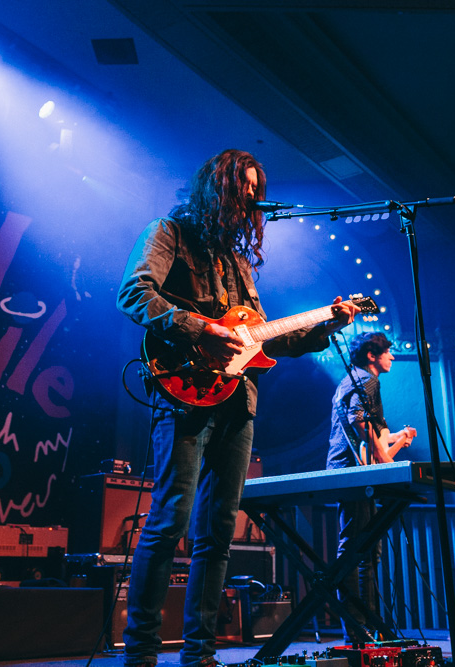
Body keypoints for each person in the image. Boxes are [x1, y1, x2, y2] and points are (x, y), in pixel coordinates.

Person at [117, 149, 360, 667]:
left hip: (239, 400)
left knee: (219, 532)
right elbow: (133, 294)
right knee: (169, 520)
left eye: (255, 188)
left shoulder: (239, 262)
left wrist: (328, 324)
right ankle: (139, 653)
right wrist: (201, 330)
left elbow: (268, 340)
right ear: (217, 188)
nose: (253, 197)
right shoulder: (169, 232)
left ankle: (199, 653)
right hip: (182, 391)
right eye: (243, 188)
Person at [326, 332, 416, 643]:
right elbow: (358, 422)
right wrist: (383, 463)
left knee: (366, 550)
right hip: (353, 473)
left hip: (353, 471)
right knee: (356, 549)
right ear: (370, 355)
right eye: (387, 352)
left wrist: (400, 438)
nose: (392, 356)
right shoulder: (366, 379)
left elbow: (375, 438)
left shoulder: (355, 380)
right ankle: (358, 628)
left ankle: (365, 627)